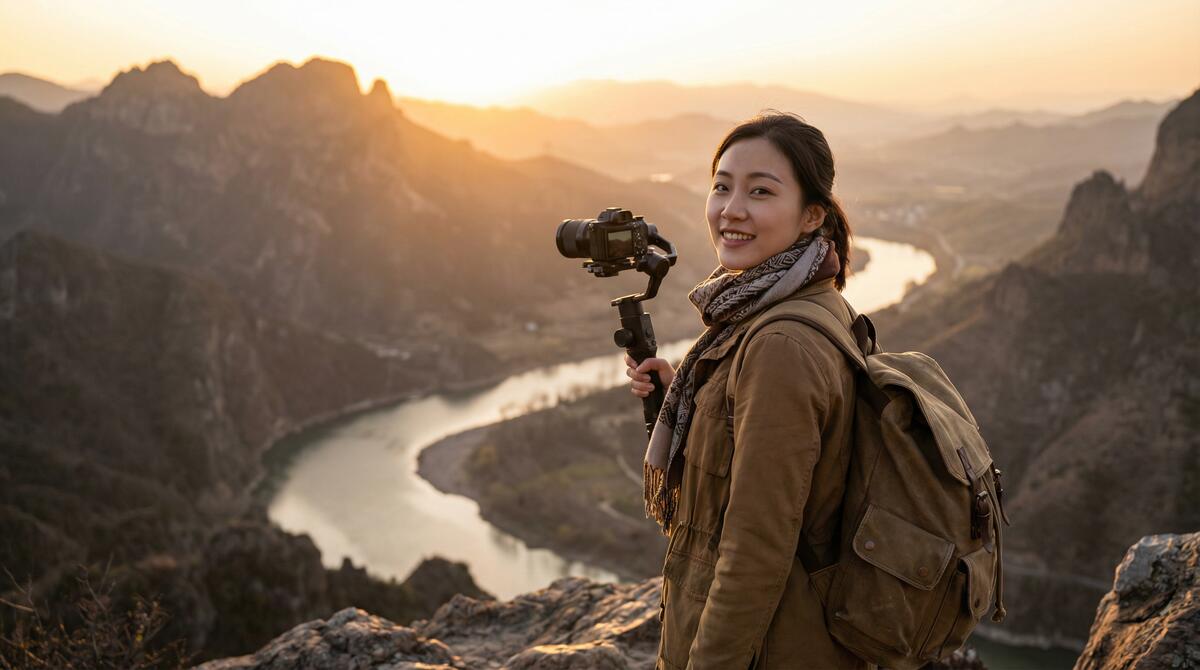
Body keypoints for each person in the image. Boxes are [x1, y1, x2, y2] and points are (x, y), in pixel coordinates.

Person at [625, 112, 870, 669]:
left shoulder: (780, 343)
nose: (731, 209)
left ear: (812, 214)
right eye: (721, 186)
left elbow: (755, 550)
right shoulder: (801, 304)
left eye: (760, 191)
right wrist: (692, 401)